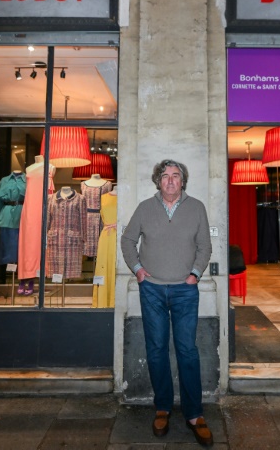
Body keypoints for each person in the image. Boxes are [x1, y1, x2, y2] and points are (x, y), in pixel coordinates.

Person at [121, 159, 213, 447]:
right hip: (152, 290)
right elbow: (127, 240)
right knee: (157, 349)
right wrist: (138, 271)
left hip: (186, 290)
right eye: (165, 176)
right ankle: (162, 407)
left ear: (183, 181)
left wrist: (195, 275)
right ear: (157, 181)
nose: (170, 181)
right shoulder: (145, 208)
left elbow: (205, 246)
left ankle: (194, 413)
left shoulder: (197, 207)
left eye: (176, 176)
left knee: (188, 351)